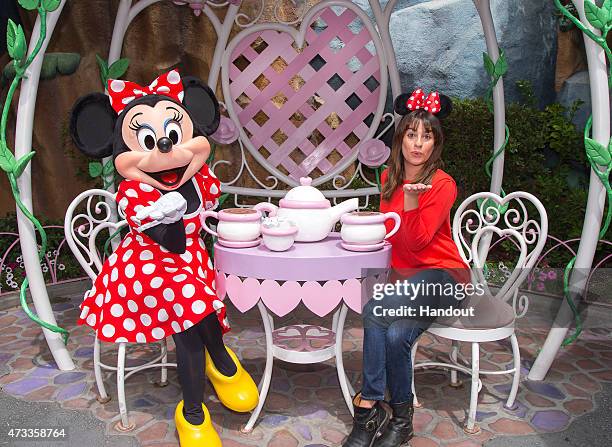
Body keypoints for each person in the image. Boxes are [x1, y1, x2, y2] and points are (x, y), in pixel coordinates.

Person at [69, 70, 258, 447]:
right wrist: (167, 213)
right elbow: (169, 242)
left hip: (189, 265)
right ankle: (196, 402)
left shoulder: (200, 179)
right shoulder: (135, 193)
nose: (167, 149)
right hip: (146, 271)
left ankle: (218, 363)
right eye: (150, 141)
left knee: (193, 296)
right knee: (189, 320)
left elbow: (204, 227)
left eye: (173, 137)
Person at [343, 88, 469, 447]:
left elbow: (416, 243)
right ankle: (401, 422)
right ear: (399, 139)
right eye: (411, 135)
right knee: (396, 334)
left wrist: (413, 201)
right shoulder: (388, 180)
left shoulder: (442, 184)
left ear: (435, 143)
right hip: (407, 282)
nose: (417, 144)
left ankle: (368, 404)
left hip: (445, 278)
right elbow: (389, 236)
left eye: (426, 137)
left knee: (375, 310)